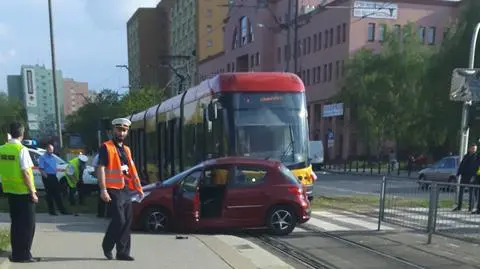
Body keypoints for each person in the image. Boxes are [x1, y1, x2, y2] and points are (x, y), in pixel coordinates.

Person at [97, 118, 143, 261]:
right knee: (119, 220)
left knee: (128, 221)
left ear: (127, 132)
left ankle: (122, 252)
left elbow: (131, 170)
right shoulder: (106, 147)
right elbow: (101, 168)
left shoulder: (127, 150)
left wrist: (138, 188)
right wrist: (103, 189)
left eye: (124, 130)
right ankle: (107, 245)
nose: (121, 132)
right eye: (119, 129)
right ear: (113, 131)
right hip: (112, 188)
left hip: (125, 189)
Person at [0, 122, 40, 263]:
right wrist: (33, 192)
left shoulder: (2, 149)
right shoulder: (21, 149)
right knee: (28, 225)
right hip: (24, 192)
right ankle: (24, 255)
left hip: (10, 191)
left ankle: (16, 253)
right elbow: (26, 173)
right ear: (22, 134)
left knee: (16, 224)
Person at [39, 143, 69, 215]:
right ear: (47, 149)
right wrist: (46, 177)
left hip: (54, 176)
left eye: (52, 150)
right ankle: (52, 211)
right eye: (50, 150)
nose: (51, 151)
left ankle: (62, 210)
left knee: (57, 194)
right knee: (49, 194)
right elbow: (41, 169)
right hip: (47, 176)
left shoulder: (53, 157)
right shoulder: (42, 157)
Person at [453, 143, 478, 211]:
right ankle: (459, 206)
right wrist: (458, 174)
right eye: (472, 148)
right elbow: (462, 165)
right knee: (461, 191)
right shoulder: (466, 156)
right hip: (464, 176)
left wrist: (474, 176)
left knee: (471, 192)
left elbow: (476, 168)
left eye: (475, 149)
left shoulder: (476, 157)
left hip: (471, 176)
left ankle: (471, 207)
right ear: (469, 149)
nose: (474, 150)